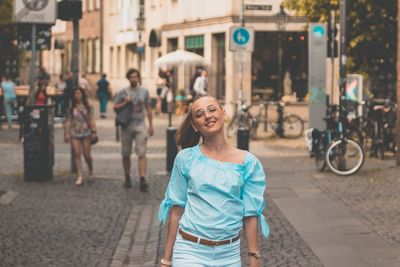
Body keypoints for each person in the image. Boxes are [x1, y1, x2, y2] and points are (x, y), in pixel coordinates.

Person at [158, 96, 270, 267]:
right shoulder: (185, 159)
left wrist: (254, 258)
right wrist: (166, 260)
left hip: (229, 254)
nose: (207, 116)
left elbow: (251, 214)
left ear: (223, 113)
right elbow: (177, 209)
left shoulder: (248, 163)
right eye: (199, 114)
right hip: (190, 251)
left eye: (212, 109)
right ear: (194, 126)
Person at [113, 68, 154, 191]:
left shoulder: (144, 92)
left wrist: (151, 125)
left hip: (140, 125)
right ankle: (127, 177)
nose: (134, 79)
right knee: (126, 153)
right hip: (126, 126)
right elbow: (115, 108)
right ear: (128, 78)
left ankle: (142, 179)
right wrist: (125, 102)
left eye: (136, 77)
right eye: (131, 77)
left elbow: (148, 108)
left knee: (142, 153)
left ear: (139, 78)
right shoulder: (123, 92)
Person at [64, 87, 97, 186]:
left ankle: (90, 169)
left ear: (82, 94)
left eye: (79, 93)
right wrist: (66, 132)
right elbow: (69, 120)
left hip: (86, 132)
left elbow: (92, 119)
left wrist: (94, 131)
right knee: (77, 153)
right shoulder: (71, 106)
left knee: (86, 155)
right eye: (76, 93)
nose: (78, 95)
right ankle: (80, 175)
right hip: (75, 132)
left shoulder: (88, 105)